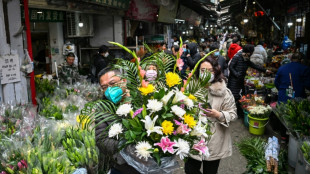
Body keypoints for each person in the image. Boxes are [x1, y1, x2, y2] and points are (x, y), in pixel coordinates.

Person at [185, 57, 237, 174]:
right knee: (190, 169)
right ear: (198, 71)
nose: (206, 74)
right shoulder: (190, 88)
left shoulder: (224, 92)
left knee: (210, 171)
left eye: (210, 70)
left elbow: (233, 114)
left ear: (216, 71)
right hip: (194, 137)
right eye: (203, 70)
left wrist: (218, 114)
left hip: (215, 140)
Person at [96, 67, 139, 174]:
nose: (109, 89)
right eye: (104, 87)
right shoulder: (103, 109)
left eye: (112, 83)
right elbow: (101, 139)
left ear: (123, 81)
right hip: (122, 168)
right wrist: (127, 147)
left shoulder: (141, 98)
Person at [228, 44, 271, 117]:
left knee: (241, 96)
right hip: (234, 81)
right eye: (251, 52)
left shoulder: (246, 58)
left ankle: (239, 113)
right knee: (233, 97)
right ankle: (231, 113)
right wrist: (237, 74)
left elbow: (253, 65)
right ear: (247, 51)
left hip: (240, 80)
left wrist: (265, 70)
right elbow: (230, 66)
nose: (251, 54)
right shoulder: (237, 56)